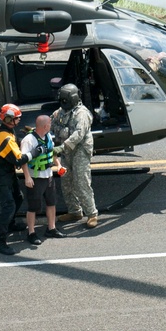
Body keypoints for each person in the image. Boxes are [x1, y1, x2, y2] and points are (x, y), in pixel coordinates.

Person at [0, 104, 61, 255]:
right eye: (17, 118)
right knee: (8, 206)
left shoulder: (6, 131)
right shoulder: (4, 137)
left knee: (18, 198)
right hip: (1, 175)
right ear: (10, 119)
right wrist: (35, 152)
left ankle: (11, 224)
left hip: (7, 173)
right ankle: (0, 242)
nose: (19, 120)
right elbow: (19, 159)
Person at [50, 84, 98, 228]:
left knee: (81, 181)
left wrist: (61, 147)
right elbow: (50, 124)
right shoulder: (60, 113)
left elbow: (79, 134)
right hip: (66, 151)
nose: (63, 102)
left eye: (65, 100)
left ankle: (92, 214)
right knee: (66, 182)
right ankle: (75, 211)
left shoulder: (81, 113)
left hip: (80, 151)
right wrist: (36, 131)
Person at [19, 114, 67, 245]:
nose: (51, 126)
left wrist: (59, 165)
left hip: (48, 175)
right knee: (33, 206)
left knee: (51, 202)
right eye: (50, 124)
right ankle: (31, 232)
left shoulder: (47, 137)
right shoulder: (29, 140)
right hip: (35, 177)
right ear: (45, 126)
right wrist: (27, 177)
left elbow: (51, 153)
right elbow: (23, 160)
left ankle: (51, 228)